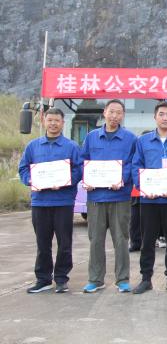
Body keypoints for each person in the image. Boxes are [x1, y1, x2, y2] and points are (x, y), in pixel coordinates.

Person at [18, 108, 83, 293]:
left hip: (63, 202)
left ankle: (61, 278)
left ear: (63, 123)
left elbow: (79, 170)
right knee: (42, 244)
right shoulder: (33, 146)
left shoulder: (71, 147)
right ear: (43, 121)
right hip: (40, 202)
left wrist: (65, 181)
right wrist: (31, 180)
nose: (53, 123)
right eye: (50, 120)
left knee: (64, 243)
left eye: (57, 120)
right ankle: (43, 279)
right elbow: (23, 169)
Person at [132, 101, 167, 294]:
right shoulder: (143, 141)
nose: (165, 118)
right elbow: (136, 166)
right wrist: (143, 187)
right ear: (155, 117)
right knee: (147, 241)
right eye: (161, 114)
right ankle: (145, 278)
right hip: (149, 200)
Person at [81, 99, 137, 293]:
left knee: (121, 240)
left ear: (123, 115)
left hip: (120, 197)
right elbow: (83, 161)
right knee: (95, 240)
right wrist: (86, 178)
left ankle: (122, 279)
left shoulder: (130, 139)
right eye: (111, 111)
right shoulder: (91, 137)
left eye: (118, 112)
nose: (114, 116)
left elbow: (133, 163)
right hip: (96, 198)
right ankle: (95, 279)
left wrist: (122, 178)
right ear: (104, 112)